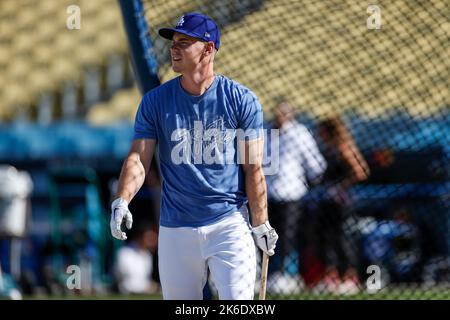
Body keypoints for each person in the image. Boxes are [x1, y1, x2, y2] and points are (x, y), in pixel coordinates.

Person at [109, 12, 278, 300]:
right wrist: (122, 200)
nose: (173, 49)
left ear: (208, 49)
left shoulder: (242, 99)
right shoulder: (155, 101)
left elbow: (254, 169)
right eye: (173, 42)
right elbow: (138, 157)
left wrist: (260, 222)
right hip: (175, 229)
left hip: (229, 225)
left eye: (184, 42)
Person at [265, 102, 326, 283]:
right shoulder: (265, 132)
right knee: (264, 234)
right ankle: (265, 275)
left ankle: (285, 275)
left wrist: (312, 180)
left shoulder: (299, 134)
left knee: (287, 236)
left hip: (291, 194)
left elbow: (316, 164)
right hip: (266, 195)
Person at [313, 116, 370, 294]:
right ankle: (332, 277)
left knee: (342, 238)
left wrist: (340, 187)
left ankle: (350, 277)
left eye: (321, 130)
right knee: (328, 238)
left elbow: (360, 172)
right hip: (328, 202)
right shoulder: (329, 148)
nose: (318, 134)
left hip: (341, 202)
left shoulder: (342, 147)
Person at [114, 223, 158, 295]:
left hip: (145, 291)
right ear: (140, 237)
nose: (152, 241)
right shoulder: (124, 253)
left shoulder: (147, 255)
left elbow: (146, 279)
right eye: (149, 237)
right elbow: (122, 279)